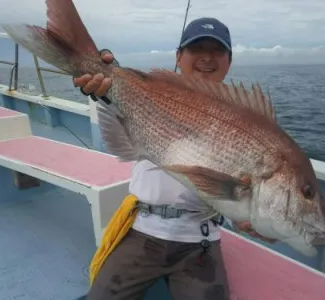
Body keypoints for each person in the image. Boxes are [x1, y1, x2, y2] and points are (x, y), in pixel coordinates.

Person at [73, 17, 275, 300]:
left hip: (201, 239)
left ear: (229, 60)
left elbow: (229, 191)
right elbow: (117, 101)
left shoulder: (243, 119)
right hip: (142, 231)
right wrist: (103, 80)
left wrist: (247, 218)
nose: (206, 57)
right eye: (196, 48)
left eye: (217, 50)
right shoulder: (154, 92)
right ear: (179, 57)